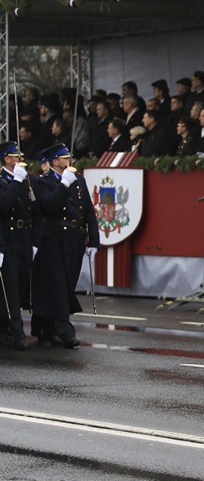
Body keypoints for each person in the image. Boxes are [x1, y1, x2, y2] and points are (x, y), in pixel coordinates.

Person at [33, 143, 100, 349]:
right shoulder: (44, 182)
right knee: (59, 283)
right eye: (64, 158)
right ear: (54, 161)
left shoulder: (78, 179)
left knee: (68, 282)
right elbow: (48, 206)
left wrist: (94, 241)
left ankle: (46, 326)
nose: (69, 160)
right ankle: (65, 329)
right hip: (53, 238)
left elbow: (88, 211)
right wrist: (63, 185)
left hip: (74, 238)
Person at [0, 142, 34, 350]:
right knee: (10, 287)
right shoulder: (5, 180)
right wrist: (16, 181)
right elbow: (3, 205)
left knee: (20, 284)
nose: (20, 160)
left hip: (23, 238)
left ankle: (6, 328)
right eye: (16, 157)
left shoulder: (23, 179)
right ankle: (17, 332)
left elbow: (32, 207)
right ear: (6, 159)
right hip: (6, 238)